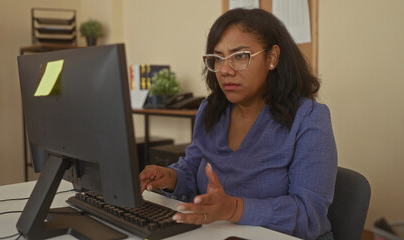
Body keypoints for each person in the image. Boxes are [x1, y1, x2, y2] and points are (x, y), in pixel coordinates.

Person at [139, 8, 337, 240]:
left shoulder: (309, 117)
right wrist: (171, 178)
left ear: (272, 58)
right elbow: (193, 167)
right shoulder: (211, 109)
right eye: (218, 58)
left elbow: (309, 215)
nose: (225, 70)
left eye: (240, 56)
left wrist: (234, 209)